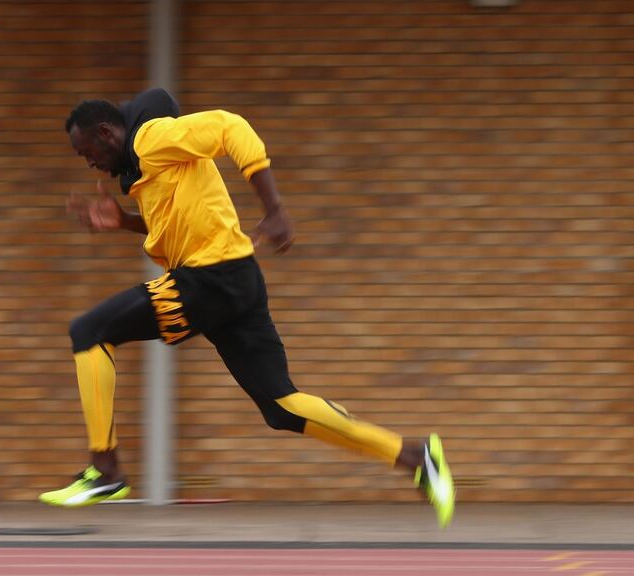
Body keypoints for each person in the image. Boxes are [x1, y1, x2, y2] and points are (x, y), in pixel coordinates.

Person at [39, 88, 455, 528]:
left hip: (210, 279)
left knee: (89, 332)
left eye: (88, 153)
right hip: (235, 281)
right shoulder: (148, 165)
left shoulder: (152, 138)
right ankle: (415, 456)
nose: (89, 164)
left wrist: (274, 210)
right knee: (283, 407)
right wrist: (124, 222)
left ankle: (105, 471)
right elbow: (178, 225)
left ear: (107, 132)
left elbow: (230, 126)